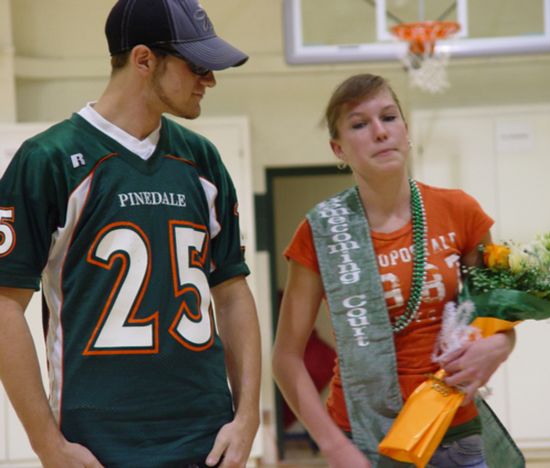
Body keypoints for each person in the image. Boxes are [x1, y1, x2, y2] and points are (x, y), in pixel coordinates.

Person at [0, 1, 261, 467]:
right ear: (143, 60)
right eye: (198, 66)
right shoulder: (49, 160)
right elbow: (4, 306)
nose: (211, 80)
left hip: (206, 439)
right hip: (97, 445)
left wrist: (247, 420)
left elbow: (233, 291)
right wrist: (46, 444)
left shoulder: (201, 160)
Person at [272, 74, 520, 468]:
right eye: (359, 124)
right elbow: (286, 357)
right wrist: (334, 447)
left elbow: (501, 316)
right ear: (338, 148)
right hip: (364, 438)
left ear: (406, 131)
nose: (379, 132)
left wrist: (501, 346)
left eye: (389, 118)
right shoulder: (320, 230)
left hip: (455, 430)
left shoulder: (461, 211)